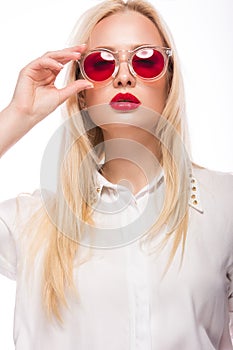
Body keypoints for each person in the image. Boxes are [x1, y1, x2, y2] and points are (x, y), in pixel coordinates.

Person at [0, 0, 233, 349]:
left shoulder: (225, 206)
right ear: (81, 94)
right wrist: (19, 115)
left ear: (169, 82)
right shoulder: (30, 221)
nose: (124, 76)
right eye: (100, 64)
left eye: (146, 59)